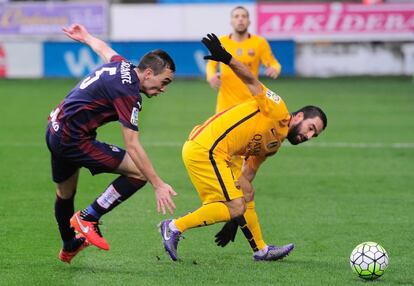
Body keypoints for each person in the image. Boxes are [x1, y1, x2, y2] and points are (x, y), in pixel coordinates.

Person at [159, 34, 327, 262]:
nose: (308, 136)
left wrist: (234, 220)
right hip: (207, 148)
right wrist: (227, 58)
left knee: (244, 195)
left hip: (212, 154)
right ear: (298, 116)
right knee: (235, 205)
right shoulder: (278, 109)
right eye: (310, 128)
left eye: (313, 135)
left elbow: (246, 177)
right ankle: (173, 227)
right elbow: (252, 81)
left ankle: (261, 249)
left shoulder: (274, 144)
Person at [46, 24, 177, 264]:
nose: (163, 89)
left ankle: (69, 245)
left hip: (55, 128)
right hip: (73, 139)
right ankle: (88, 218)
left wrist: (85, 37)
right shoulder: (128, 92)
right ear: (148, 73)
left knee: (64, 193)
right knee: (139, 173)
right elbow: (133, 145)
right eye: (164, 81)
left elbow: (104, 50)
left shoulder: (123, 66)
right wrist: (158, 184)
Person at [206, 6, 282, 114]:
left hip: (251, 102)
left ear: (249, 21)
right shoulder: (222, 42)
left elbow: (274, 63)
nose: (240, 19)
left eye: (244, 16)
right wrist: (211, 76)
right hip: (225, 104)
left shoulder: (259, 43)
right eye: (236, 16)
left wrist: (275, 68)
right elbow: (211, 65)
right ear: (231, 21)